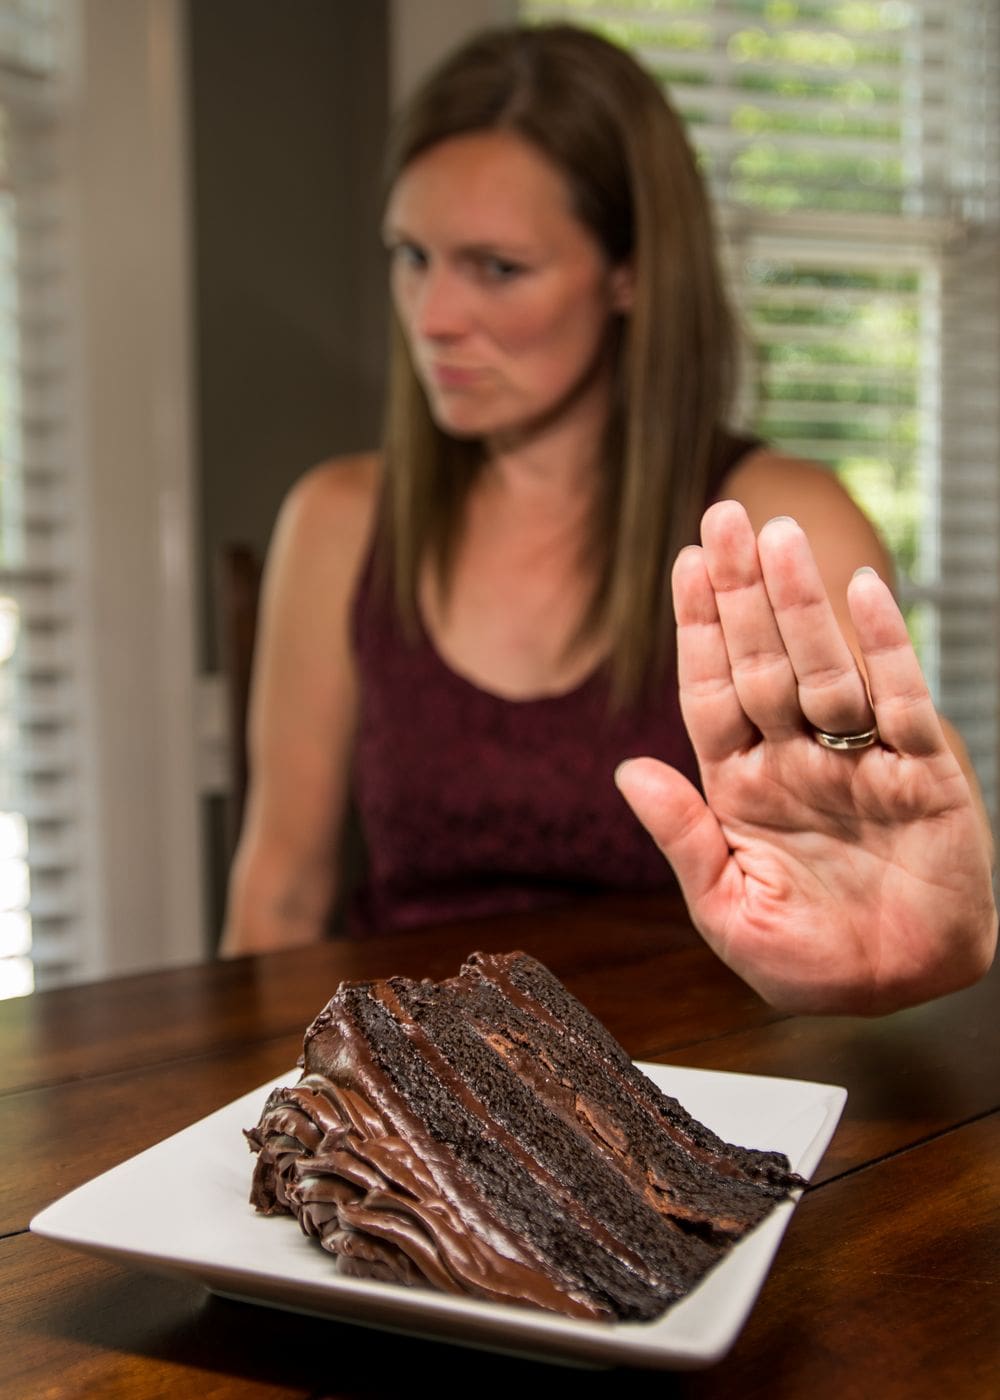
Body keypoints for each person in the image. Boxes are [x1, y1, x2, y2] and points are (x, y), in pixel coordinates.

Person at [221, 24, 996, 1014]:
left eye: (497, 267)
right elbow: (274, 900)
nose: (434, 314)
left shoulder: (774, 522)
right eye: (412, 256)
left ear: (629, 272)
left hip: (698, 1096)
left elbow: (903, 857)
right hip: (419, 1106)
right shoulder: (338, 520)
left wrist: (936, 928)